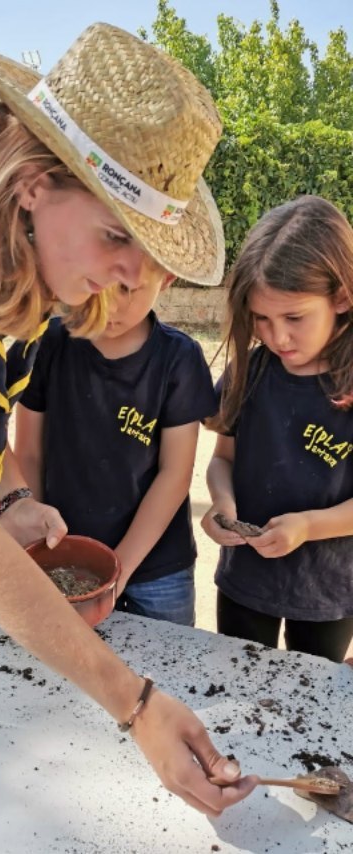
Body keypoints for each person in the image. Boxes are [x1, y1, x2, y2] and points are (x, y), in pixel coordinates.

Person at [0, 23, 257, 812]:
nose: (129, 275)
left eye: (151, 253)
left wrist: (9, 498)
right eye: (119, 235)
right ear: (35, 183)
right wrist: (137, 705)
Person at [15, 271, 217, 626]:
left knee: (167, 673)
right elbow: (28, 453)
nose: (109, 303)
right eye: (96, 282)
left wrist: (115, 574)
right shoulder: (47, 343)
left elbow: (176, 474)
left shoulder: (180, 358)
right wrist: (38, 544)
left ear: (166, 278)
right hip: (63, 556)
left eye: (128, 288)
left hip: (159, 569)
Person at [201, 195, 353, 663]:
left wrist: (309, 526)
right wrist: (221, 505)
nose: (276, 337)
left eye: (294, 318)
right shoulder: (251, 370)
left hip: (327, 593)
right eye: (261, 319)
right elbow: (222, 459)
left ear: (342, 297)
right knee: (238, 684)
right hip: (246, 583)